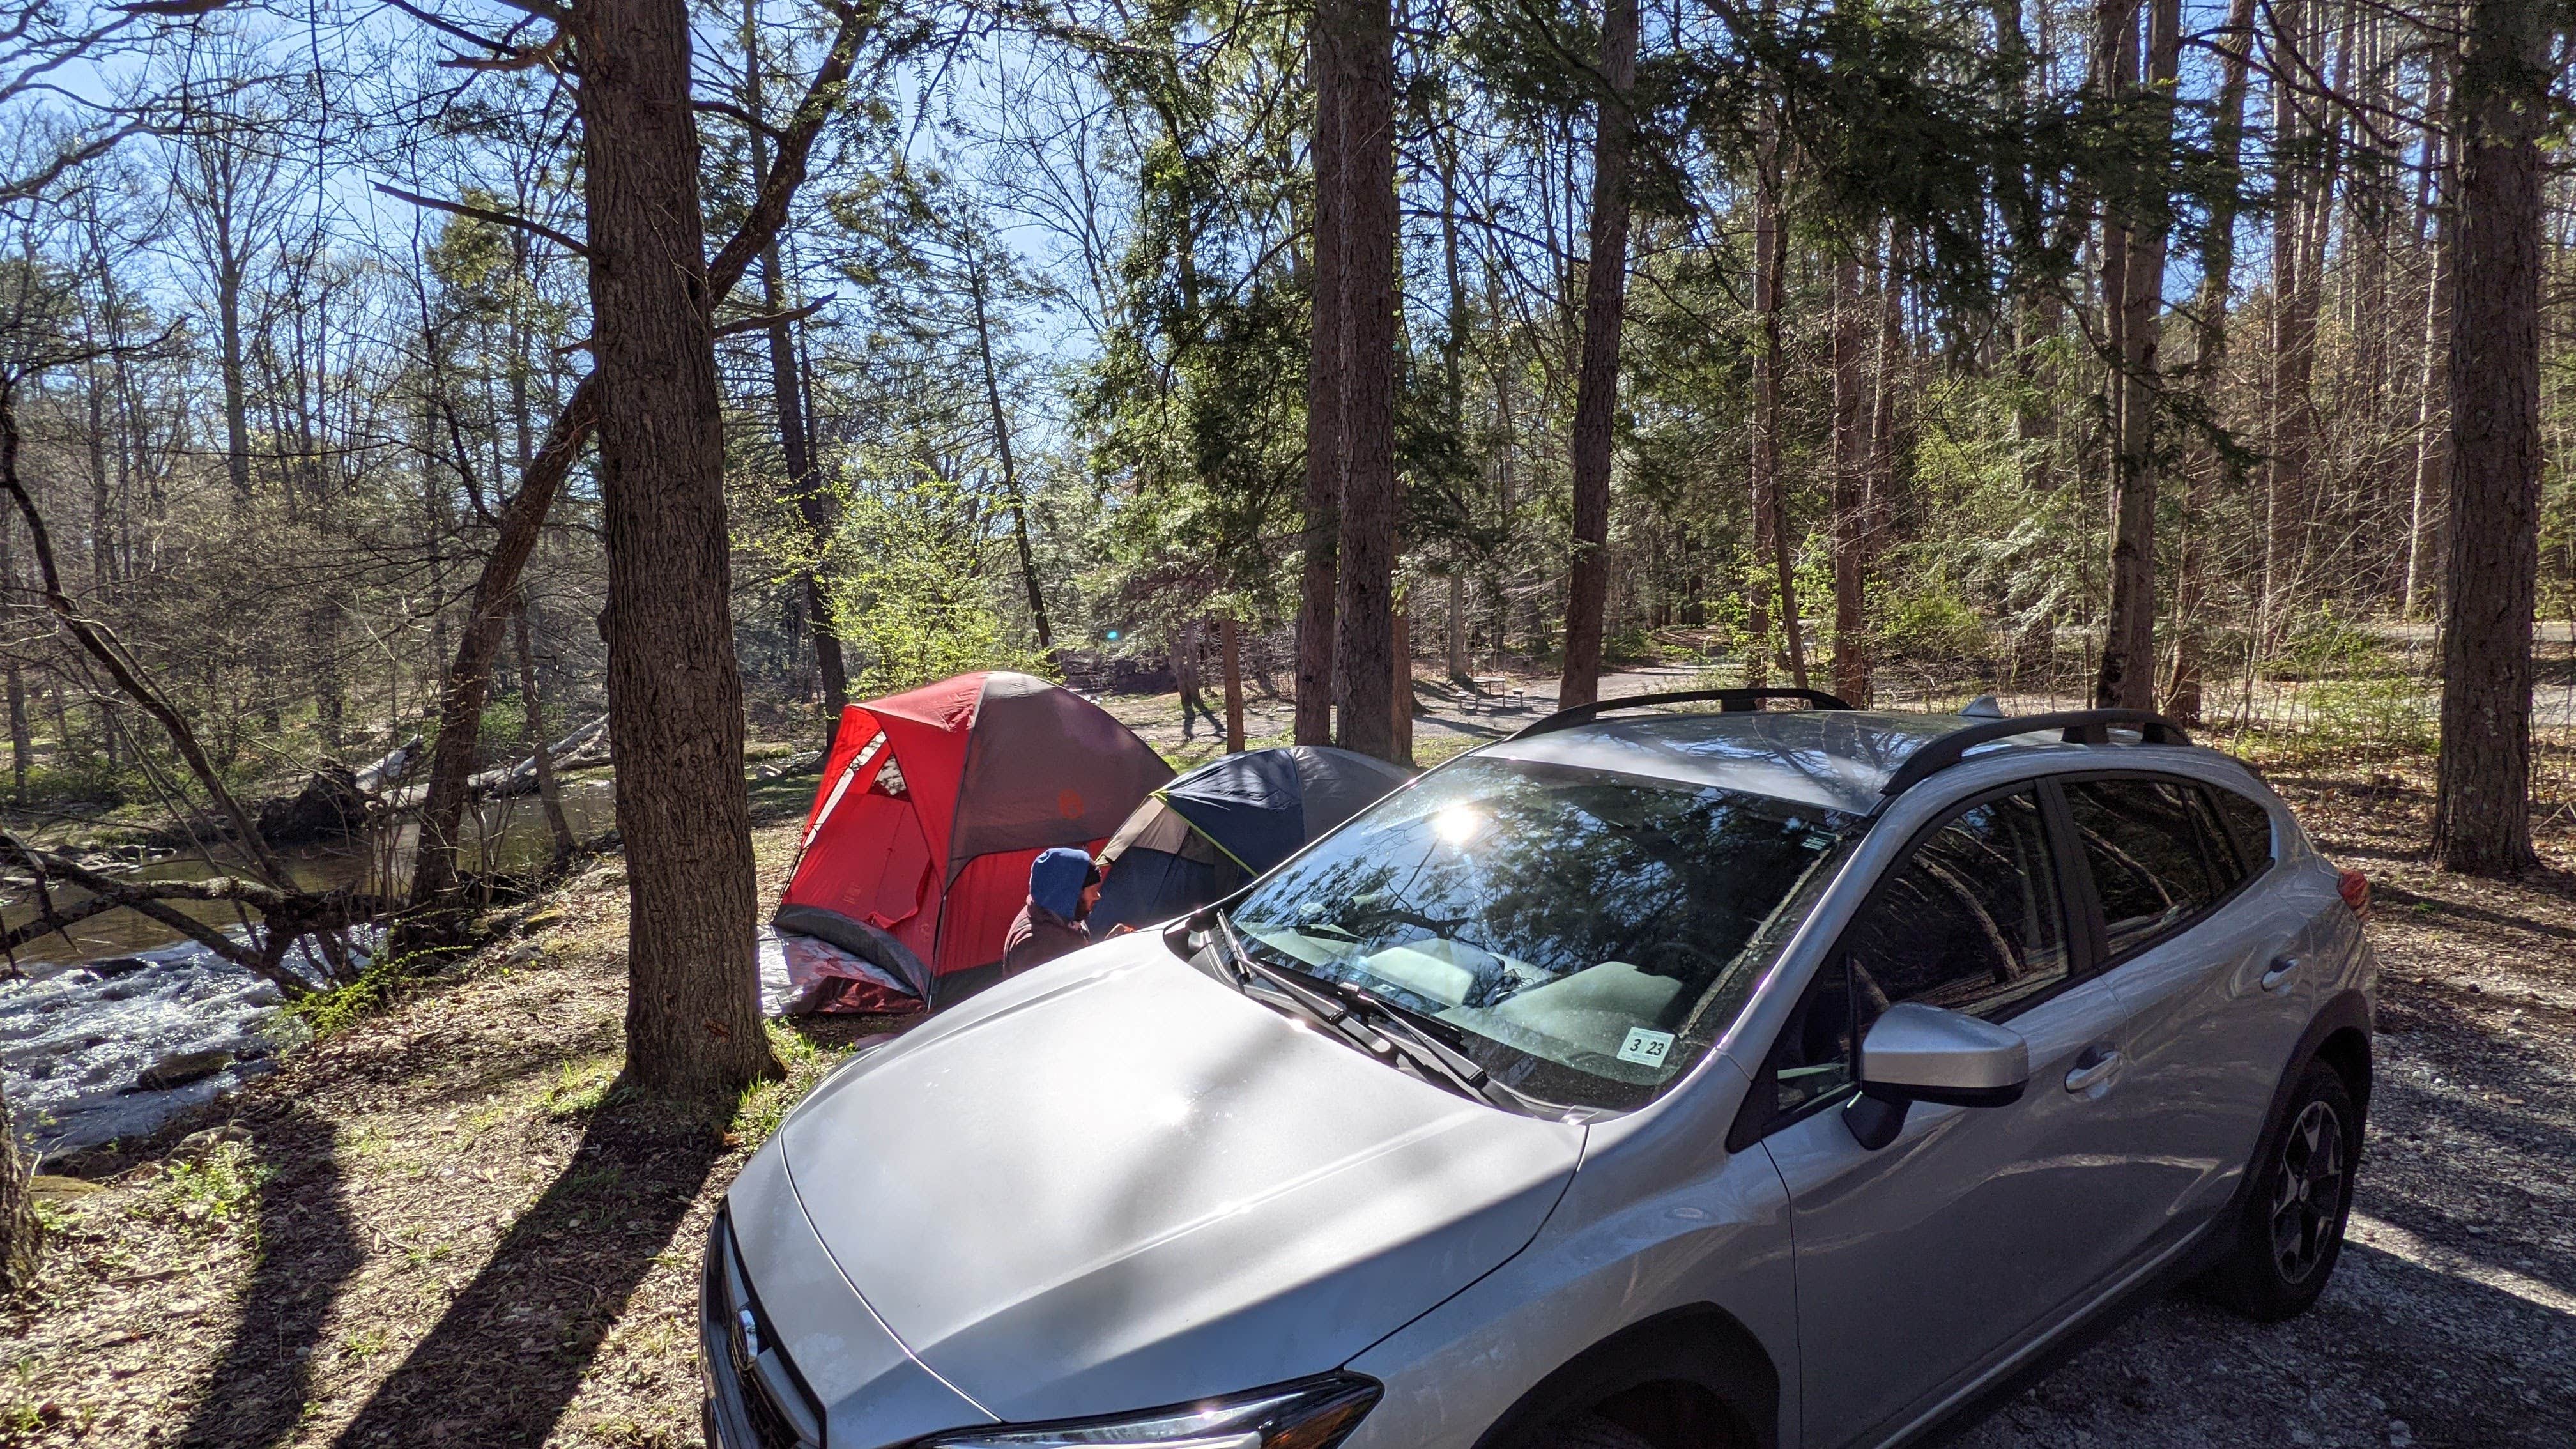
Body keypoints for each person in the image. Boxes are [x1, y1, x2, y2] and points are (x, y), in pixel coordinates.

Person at [1004, 847, 1117, 974]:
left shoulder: (1058, 914)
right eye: (1092, 890)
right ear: (1070, 893)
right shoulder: (1035, 946)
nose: (1098, 896)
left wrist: (1107, 946)